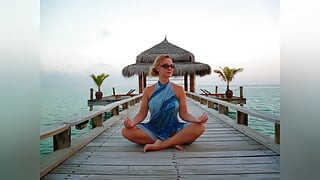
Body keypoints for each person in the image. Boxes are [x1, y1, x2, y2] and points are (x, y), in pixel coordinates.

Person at [122, 55, 208, 153]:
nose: (170, 68)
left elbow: (184, 114)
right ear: (158, 68)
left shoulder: (179, 90)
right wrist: (132, 122)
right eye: (166, 66)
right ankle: (174, 141)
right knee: (126, 131)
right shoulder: (148, 90)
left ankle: (162, 144)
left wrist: (197, 119)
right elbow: (142, 114)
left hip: (174, 129)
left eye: (172, 66)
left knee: (200, 127)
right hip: (153, 129)